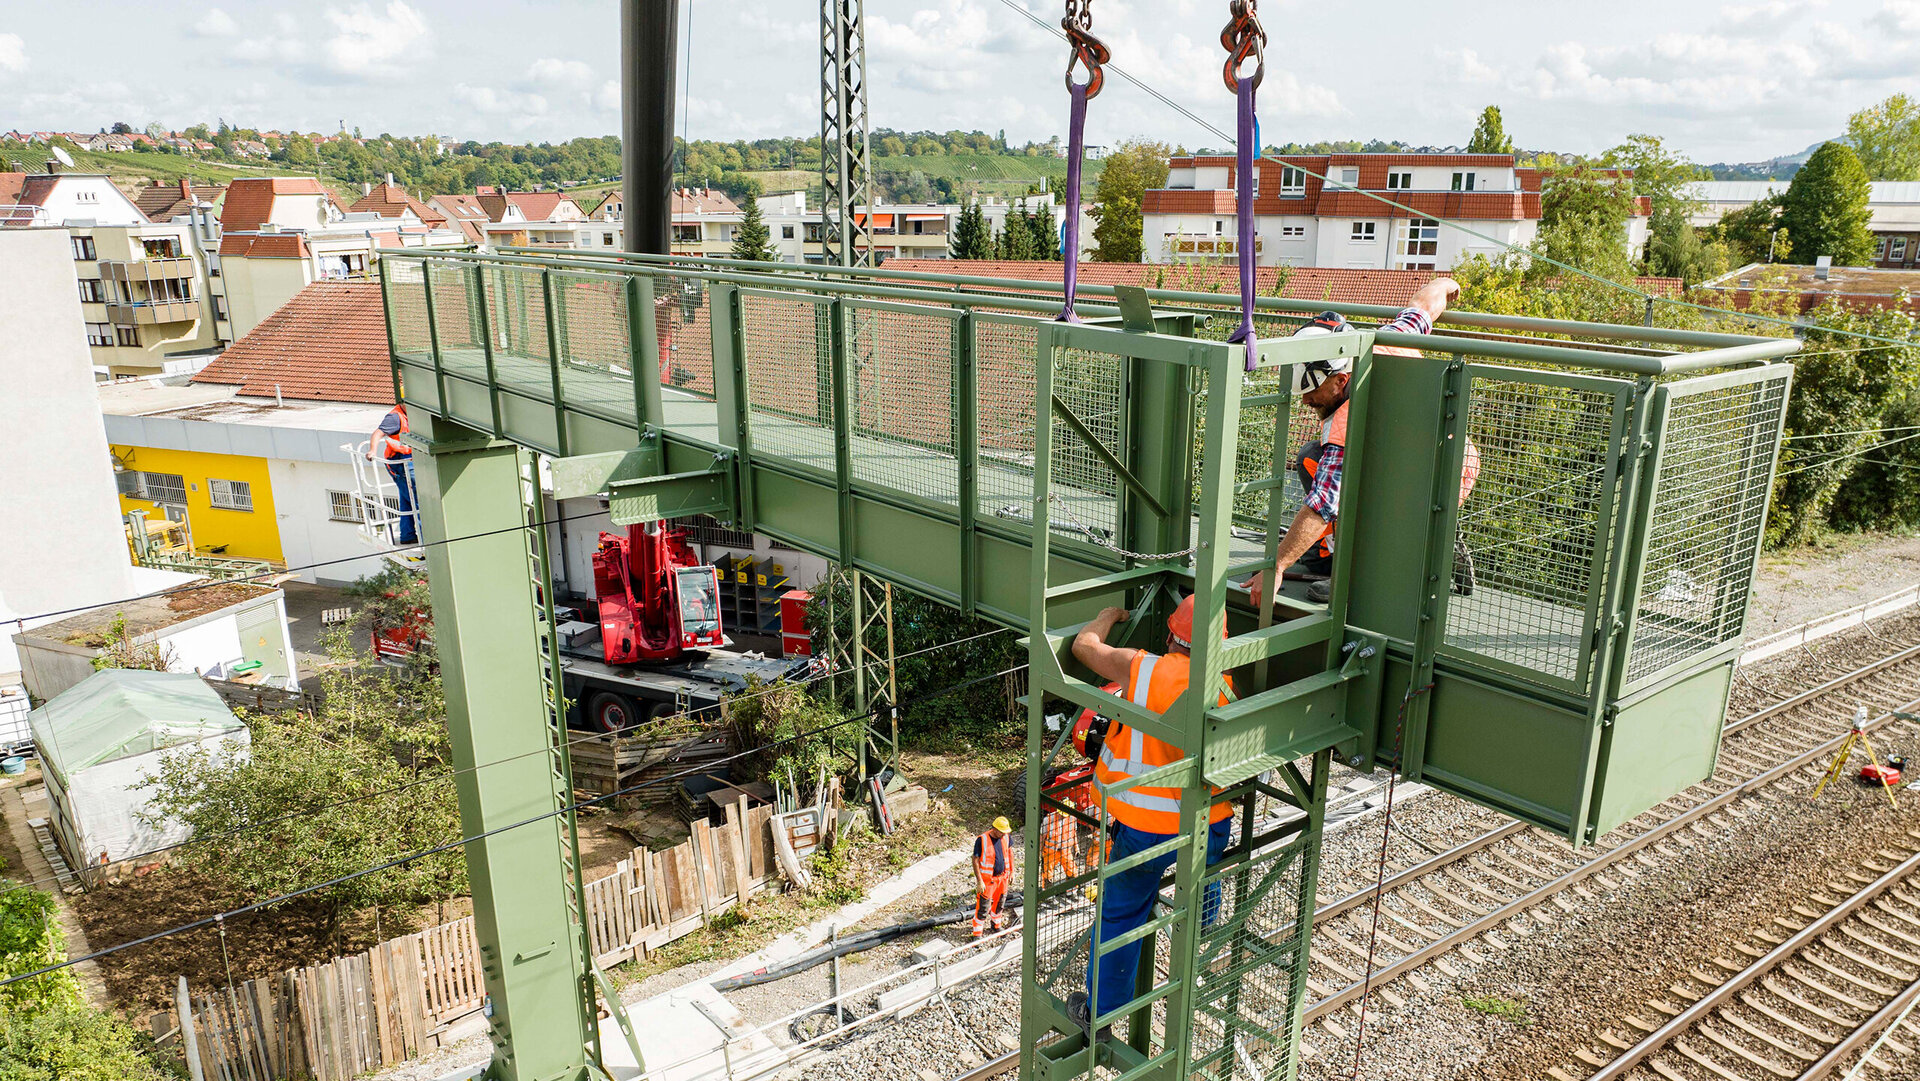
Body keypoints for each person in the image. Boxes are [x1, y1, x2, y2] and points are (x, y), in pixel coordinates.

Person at [1245, 277, 1478, 605]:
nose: (1306, 401)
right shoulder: (1386, 342)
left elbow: (1323, 504)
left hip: (1430, 484)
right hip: (1450, 463)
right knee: (1312, 457)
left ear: (1341, 380)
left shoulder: (1343, 422)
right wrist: (1445, 284)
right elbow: (1422, 308)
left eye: (1312, 393)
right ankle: (1433, 535)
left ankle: (1354, 573)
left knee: (1344, 504)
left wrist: (1278, 566)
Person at [1065, 595, 1234, 1038]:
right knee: (1205, 869)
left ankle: (1101, 1015)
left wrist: (1107, 616)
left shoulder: (1143, 669)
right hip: (1208, 822)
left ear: (1171, 634)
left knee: (1121, 916)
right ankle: (1203, 921)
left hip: (1146, 828)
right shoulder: (1225, 682)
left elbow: (1084, 647)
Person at [367, 404, 419, 546]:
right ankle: (425, 537)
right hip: (400, 462)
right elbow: (377, 433)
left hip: (408, 460)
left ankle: (407, 535)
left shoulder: (411, 414)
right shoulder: (395, 418)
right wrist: (372, 451)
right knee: (418, 498)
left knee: (407, 497)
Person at [972, 815, 1014, 937]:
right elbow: (975, 860)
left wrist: (1012, 872)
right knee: (983, 907)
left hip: (1003, 878)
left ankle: (996, 925)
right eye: (1002, 832)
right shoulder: (982, 840)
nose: (1004, 834)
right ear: (995, 829)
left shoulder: (1006, 837)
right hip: (988, 881)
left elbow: (1010, 853)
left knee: (1000, 903)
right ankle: (977, 933)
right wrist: (980, 881)